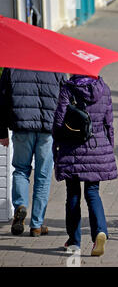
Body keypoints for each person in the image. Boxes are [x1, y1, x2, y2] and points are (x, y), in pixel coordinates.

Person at [52, 74, 118, 256]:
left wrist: (57, 141)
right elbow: (109, 123)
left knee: (72, 194)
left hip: (71, 148)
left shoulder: (68, 88)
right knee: (92, 192)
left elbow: (59, 120)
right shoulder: (104, 89)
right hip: (97, 146)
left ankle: (74, 241)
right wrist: (108, 148)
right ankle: (100, 232)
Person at [0, 68, 65, 237]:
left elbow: (2, 99)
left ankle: (20, 206)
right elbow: (64, 99)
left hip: (22, 127)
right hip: (47, 129)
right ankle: (36, 225)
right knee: (43, 176)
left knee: (21, 170)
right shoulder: (56, 66)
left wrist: (2, 131)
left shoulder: (12, 66)